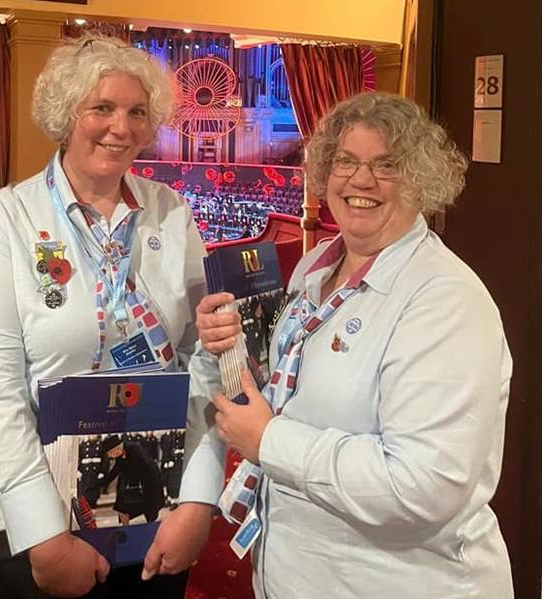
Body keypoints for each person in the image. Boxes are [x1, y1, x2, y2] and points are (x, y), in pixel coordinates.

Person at [149, 92, 514, 598]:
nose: (359, 181)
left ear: (420, 178)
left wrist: (269, 442)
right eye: (345, 161)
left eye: (386, 165)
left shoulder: (446, 303)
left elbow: (422, 486)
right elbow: (293, 392)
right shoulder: (317, 264)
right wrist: (229, 351)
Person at [0, 33, 208, 599]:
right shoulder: (10, 218)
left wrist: (197, 498)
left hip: (150, 510)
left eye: (137, 112)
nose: (122, 128)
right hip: (37, 520)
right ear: (67, 116)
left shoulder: (171, 212)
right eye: (102, 108)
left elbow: (203, 357)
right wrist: (43, 532)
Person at [100, 435, 164, 525]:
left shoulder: (134, 448)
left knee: (150, 508)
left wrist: (137, 482)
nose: (110, 456)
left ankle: (151, 526)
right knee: (121, 506)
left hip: (149, 480)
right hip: (132, 483)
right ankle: (125, 527)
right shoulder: (119, 455)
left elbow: (146, 465)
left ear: (116, 449)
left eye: (110, 453)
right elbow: (114, 471)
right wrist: (101, 483)